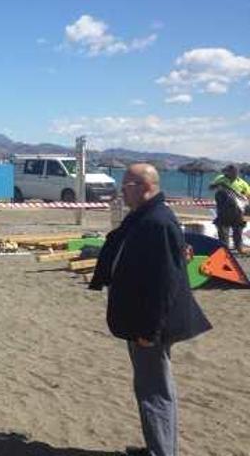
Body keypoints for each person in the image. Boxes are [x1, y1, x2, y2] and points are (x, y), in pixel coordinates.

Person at [90, 163, 212, 456]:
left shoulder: (157, 221)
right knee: (149, 387)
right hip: (141, 318)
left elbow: (165, 285)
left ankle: (161, 452)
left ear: (145, 187)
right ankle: (157, 447)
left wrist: (150, 331)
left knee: (155, 392)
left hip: (150, 324)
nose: (121, 191)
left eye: (126, 186)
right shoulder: (145, 216)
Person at [208, 164, 250, 254]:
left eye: (231, 172)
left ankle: (239, 248)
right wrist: (218, 185)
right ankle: (224, 248)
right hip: (224, 209)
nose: (227, 173)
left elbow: (248, 195)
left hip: (238, 210)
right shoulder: (221, 178)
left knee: (238, 230)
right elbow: (211, 187)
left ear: (236, 172)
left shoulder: (242, 183)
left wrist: (244, 197)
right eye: (227, 171)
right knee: (223, 230)